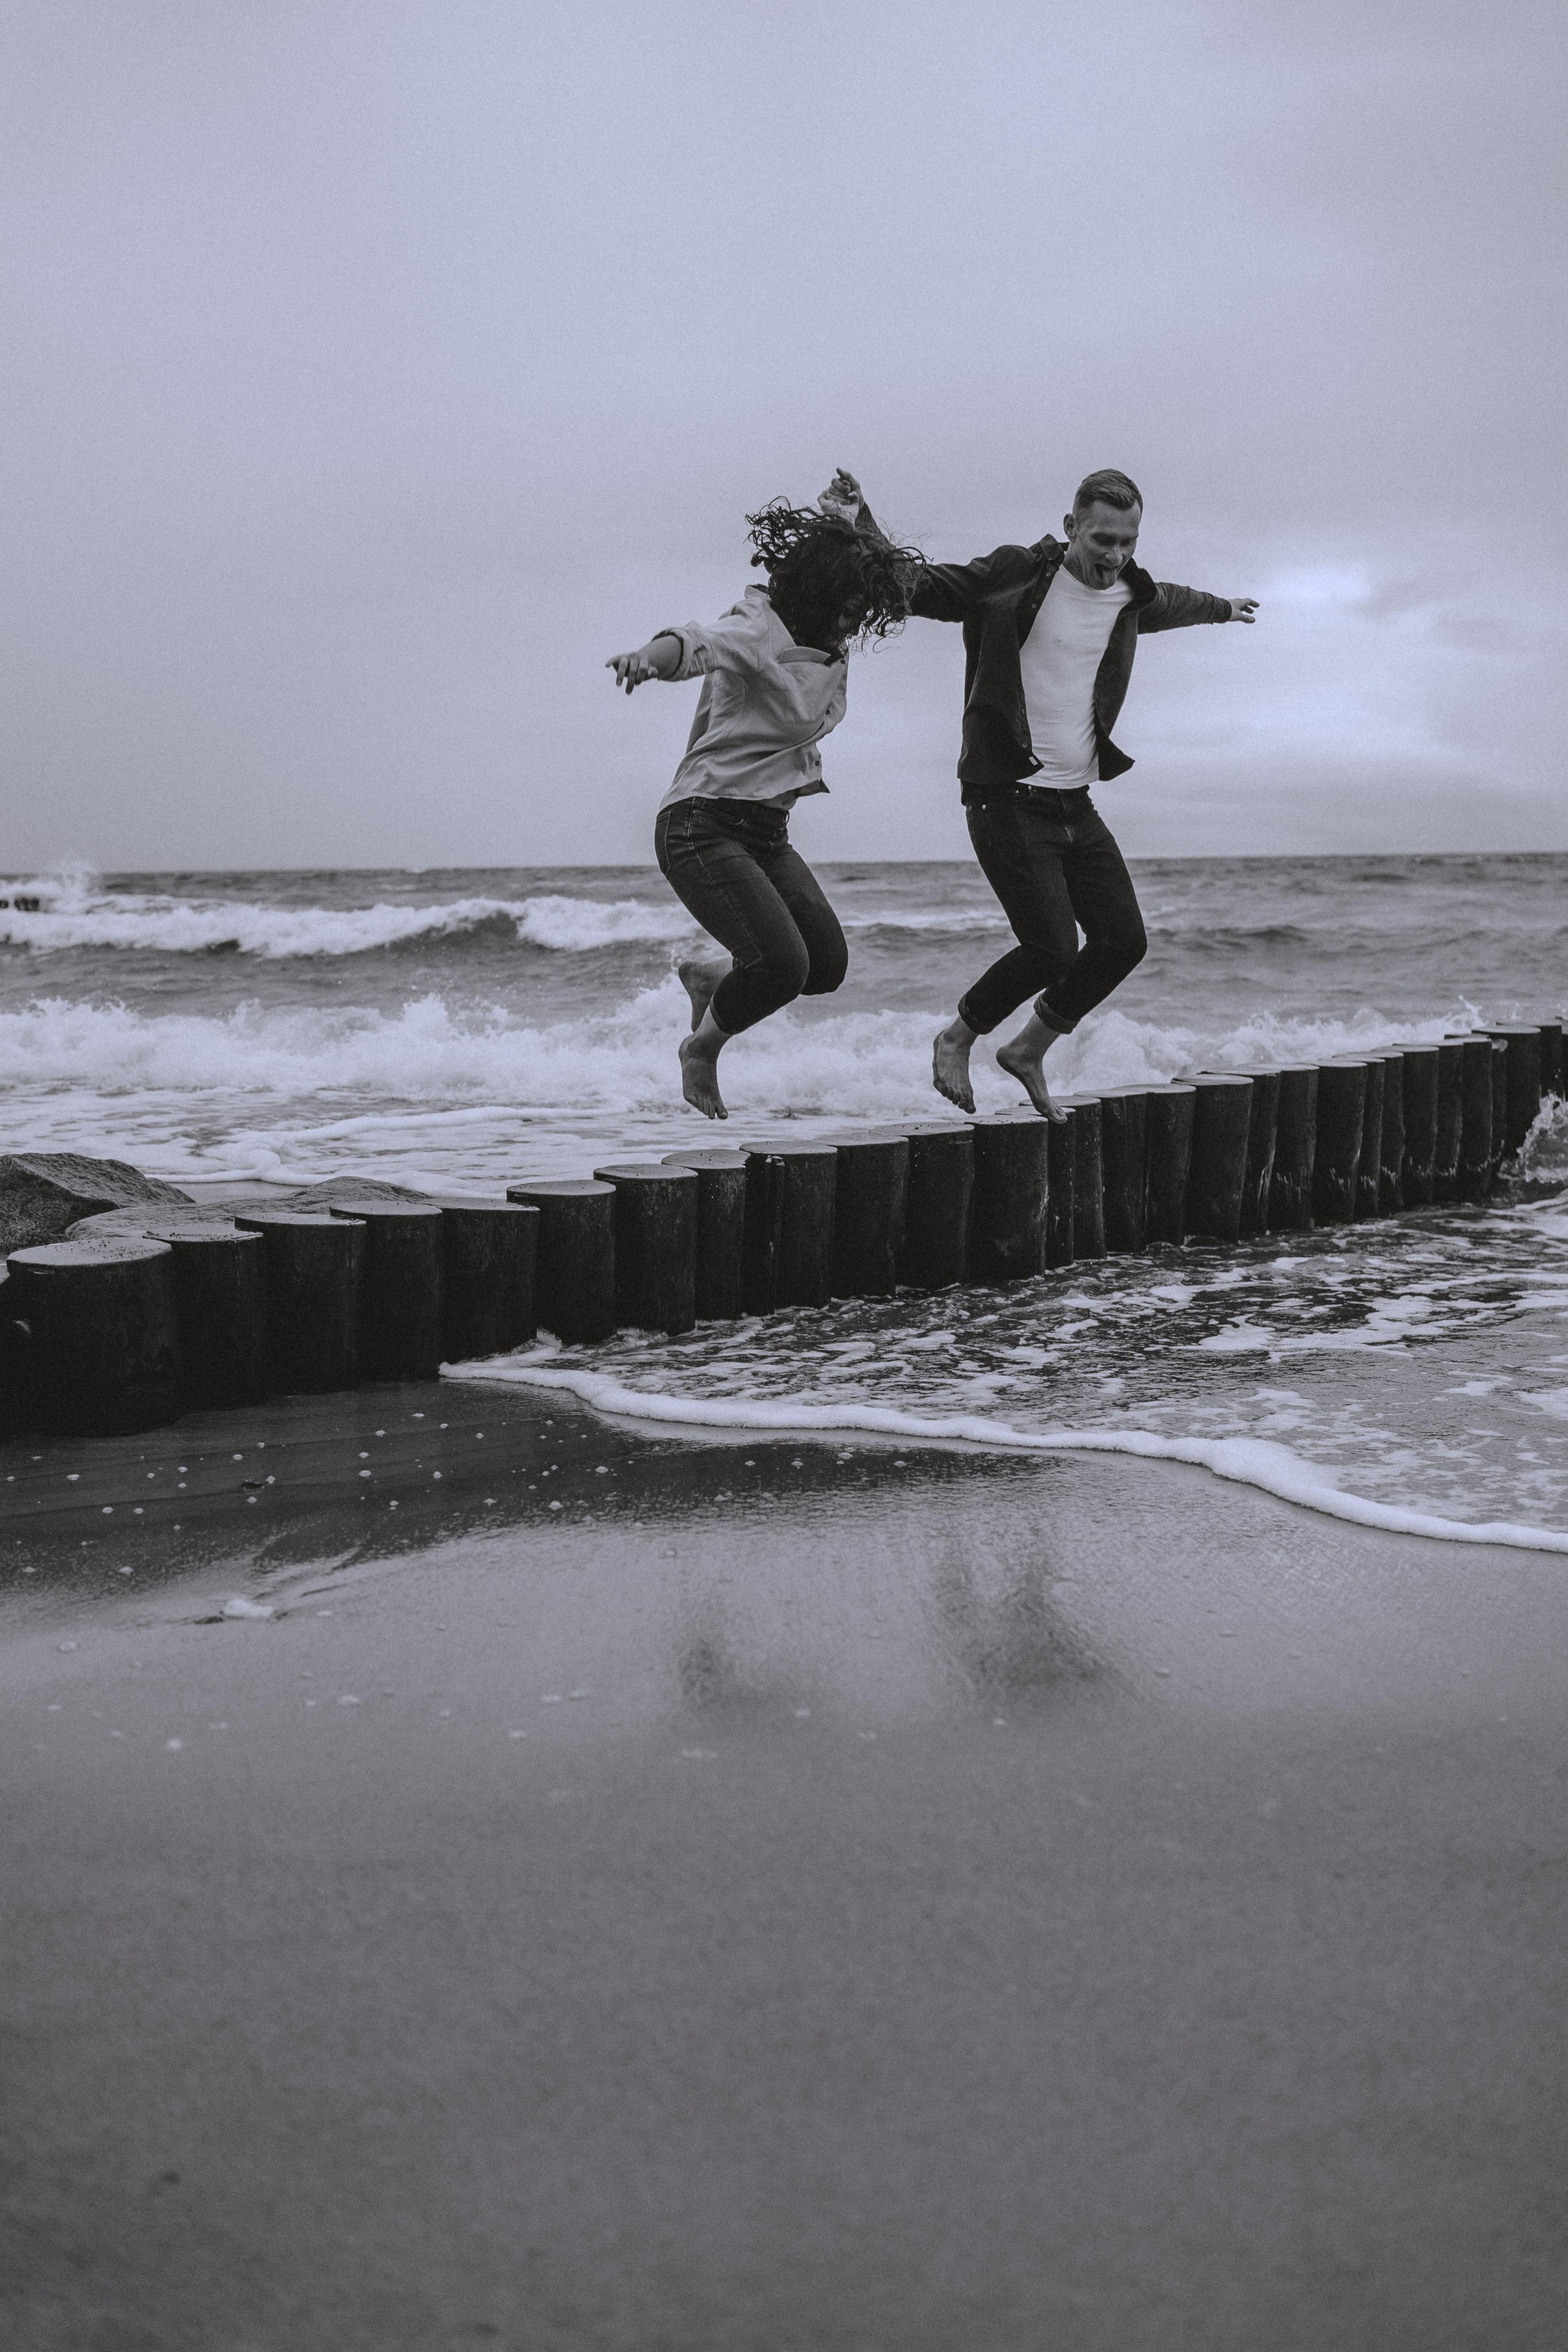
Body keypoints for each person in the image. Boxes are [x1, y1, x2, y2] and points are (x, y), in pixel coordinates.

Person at [843, 467, 1257, 1118]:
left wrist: (1225, 609)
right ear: (1071, 528)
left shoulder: (1130, 594)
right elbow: (920, 586)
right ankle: (957, 1036)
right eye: (1102, 540)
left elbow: (1175, 602)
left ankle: (1028, 1049)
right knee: (1052, 948)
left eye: (1127, 542)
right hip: (1005, 796)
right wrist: (860, 524)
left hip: (1075, 803)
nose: (1114, 556)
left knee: (1123, 943)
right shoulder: (1014, 576)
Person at [607, 480, 916, 1120]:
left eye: (861, 610)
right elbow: (697, 642)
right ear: (819, 590)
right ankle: (700, 1050)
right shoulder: (759, 629)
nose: (854, 621)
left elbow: (897, 580)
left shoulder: (831, 644)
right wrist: (647, 658)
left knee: (824, 967)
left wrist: (858, 520)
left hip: (766, 832)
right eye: (848, 606)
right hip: (702, 824)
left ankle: (709, 979)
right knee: (781, 965)